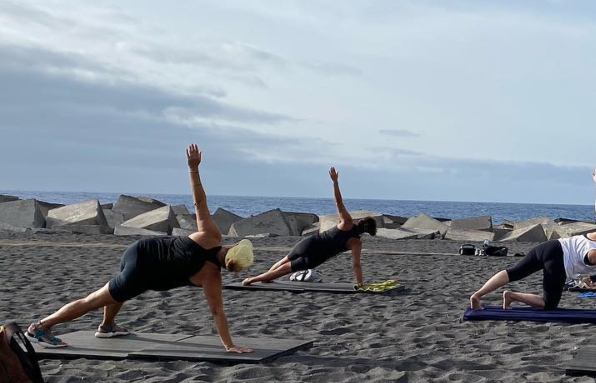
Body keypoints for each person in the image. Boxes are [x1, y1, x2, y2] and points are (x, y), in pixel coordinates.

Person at [27, 145, 256, 353]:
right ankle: (40, 327)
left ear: (232, 246)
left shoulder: (210, 235)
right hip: (142, 273)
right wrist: (229, 345)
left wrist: (193, 168)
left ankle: (107, 327)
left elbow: (199, 202)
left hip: (138, 250)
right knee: (93, 300)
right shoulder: (211, 276)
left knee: (117, 290)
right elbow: (217, 313)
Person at [469, 165, 596, 315]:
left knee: (514, 272)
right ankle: (511, 295)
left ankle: (477, 295)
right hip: (557, 263)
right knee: (548, 304)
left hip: (550, 246)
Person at [241, 167, 377, 287]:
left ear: (361, 221)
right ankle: (251, 280)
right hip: (314, 257)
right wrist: (360, 284)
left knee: (283, 261)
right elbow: (356, 265)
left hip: (309, 242)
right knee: (283, 270)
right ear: (368, 232)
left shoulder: (347, 221)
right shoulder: (356, 243)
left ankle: (264, 278)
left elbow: (338, 202)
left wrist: (335, 182)